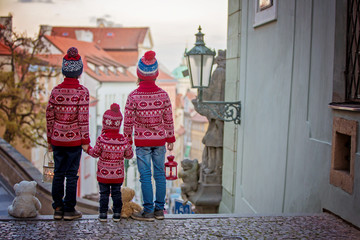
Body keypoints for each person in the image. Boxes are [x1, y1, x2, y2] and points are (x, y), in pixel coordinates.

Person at [124, 50, 176, 221]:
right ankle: (160, 210)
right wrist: (170, 138)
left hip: (142, 142)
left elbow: (128, 123)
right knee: (160, 174)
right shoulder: (163, 95)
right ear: (155, 74)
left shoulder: (133, 96)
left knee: (145, 176)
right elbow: (168, 118)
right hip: (160, 141)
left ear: (139, 74)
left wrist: (127, 141)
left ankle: (148, 211)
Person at [46, 47, 90, 221]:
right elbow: (83, 119)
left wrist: (50, 139)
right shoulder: (82, 92)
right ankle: (70, 209)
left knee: (58, 173)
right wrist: (85, 140)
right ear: (79, 72)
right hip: (74, 141)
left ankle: (57, 207)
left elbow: (49, 116)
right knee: (71, 175)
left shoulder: (55, 91)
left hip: (57, 139)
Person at [82, 103, 133, 222]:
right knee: (116, 194)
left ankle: (103, 214)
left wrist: (88, 148)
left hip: (103, 173)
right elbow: (129, 155)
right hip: (117, 174)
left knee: (103, 194)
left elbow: (95, 153)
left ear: (105, 122)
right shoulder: (123, 140)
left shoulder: (102, 139)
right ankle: (116, 214)